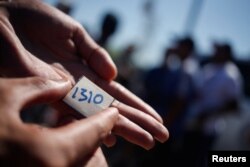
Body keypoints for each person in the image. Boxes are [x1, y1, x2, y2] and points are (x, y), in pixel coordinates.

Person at [0, 0, 169, 165]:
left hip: (66, 102)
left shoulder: (94, 44)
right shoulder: (91, 44)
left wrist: (6, 11)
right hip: (55, 101)